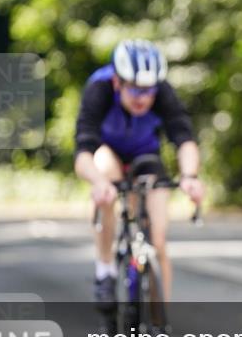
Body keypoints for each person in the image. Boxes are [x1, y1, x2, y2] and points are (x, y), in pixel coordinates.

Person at [74, 39, 204, 310]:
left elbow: (184, 139)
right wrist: (98, 182)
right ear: (117, 82)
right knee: (105, 176)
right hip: (107, 153)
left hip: (146, 157)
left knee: (157, 240)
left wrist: (190, 176)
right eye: (134, 88)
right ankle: (105, 270)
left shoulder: (162, 92)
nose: (142, 98)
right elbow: (83, 153)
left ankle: (159, 319)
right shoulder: (99, 89)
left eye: (148, 90)